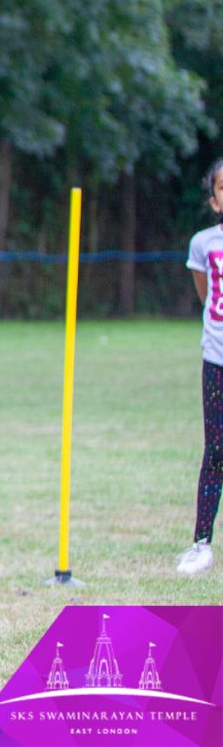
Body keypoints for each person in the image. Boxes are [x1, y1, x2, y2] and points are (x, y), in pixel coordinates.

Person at [178, 157, 223, 576]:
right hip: (217, 359)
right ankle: (201, 544)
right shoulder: (203, 243)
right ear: (214, 200)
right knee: (216, 450)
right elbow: (206, 294)